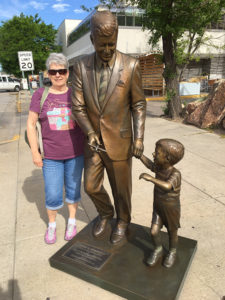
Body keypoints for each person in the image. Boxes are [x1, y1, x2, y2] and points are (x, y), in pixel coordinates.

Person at [71, 10, 146, 244]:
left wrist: (139, 138)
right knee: (91, 187)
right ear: (92, 40)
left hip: (121, 141)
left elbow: (139, 104)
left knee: (122, 190)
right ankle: (105, 214)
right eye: (101, 45)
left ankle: (123, 221)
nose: (106, 50)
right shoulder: (81, 67)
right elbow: (78, 107)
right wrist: (91, 132)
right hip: (93, 142)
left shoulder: (131, 65)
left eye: (111, 45)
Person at [27, 53, 84, 244]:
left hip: (76, 154)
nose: (58, 75)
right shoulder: (40, 95)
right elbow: (31, 124)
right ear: (48, 74)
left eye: (62, 71)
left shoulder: (76, 93)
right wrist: (35, 152)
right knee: (52, 192)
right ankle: (51, 225)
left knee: (73, 190)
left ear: (68, 73)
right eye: (53, 71)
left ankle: (72, 221)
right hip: (50, 156)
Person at [139, 139, 184, 268]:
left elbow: (167, 186)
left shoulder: (175, 174)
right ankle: (158, 249)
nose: (153, 154)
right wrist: (140, 155)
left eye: (157, 153)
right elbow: (150, 165)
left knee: (172, 232)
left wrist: (151, 179)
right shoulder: (159, 167)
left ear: (168, 158)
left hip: (171, 209)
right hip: (158, 207)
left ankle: (172, 251)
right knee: (153, 231)